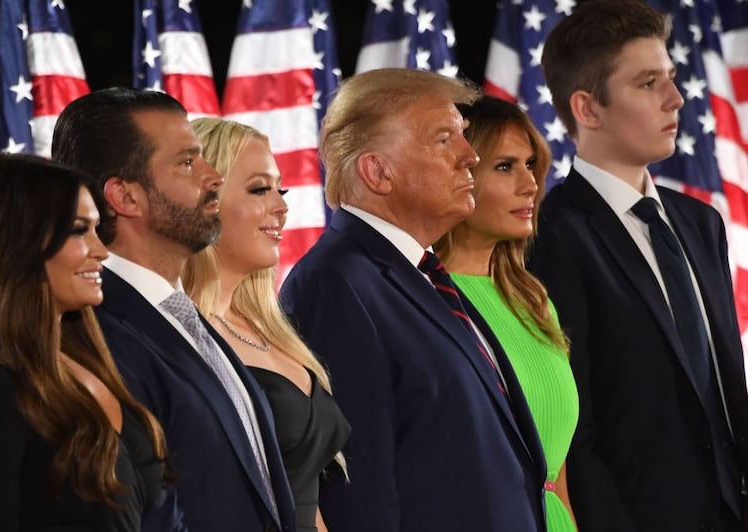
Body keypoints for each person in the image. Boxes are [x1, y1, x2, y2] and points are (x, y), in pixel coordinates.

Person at [279, 68, 548, 532]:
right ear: (378, 171)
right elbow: (359, 492)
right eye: (444, 139)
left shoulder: (421, 272)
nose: (469, 156)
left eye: (463, 136)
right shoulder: (335, 285)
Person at [529, 1, 748, 530]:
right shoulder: (549, 236)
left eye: (671, 78)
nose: (676, 98)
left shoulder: (701, 222)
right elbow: (574, 432)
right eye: (648, 83)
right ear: (588, 109)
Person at [51, 88, 296, 532]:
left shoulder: (181, 313)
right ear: (125, 198)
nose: (213, 176)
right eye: (187, 163)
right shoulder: (97, 334)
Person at [0, 153, 175, 532]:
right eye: (77, 230)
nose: (101, 251)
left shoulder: (92, 362)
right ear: (14, 242)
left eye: (97, 229)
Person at [181, 117, 350, 532]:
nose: (282, 207)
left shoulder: (274, 329)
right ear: (203, 199)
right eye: (260, 189)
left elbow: (308, 502)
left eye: (281, 189)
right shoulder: (176, 338)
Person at [435, 96, 578, 531]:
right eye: (504, 166)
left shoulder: (535, 300)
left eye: (531, 164)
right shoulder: (425, 299)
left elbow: (556, 473)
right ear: (459, 174)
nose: (530, 183)